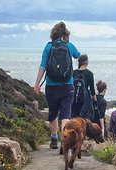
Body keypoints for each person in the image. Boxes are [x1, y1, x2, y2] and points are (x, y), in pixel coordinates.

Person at [34, 22, 81, 150]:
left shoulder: (48, 47)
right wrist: (69, 42)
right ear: (64, 35)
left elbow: (42, 66)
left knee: (53, 114)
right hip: (67, 86)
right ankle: (64, 140)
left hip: (51, 86)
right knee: (66, 115)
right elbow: (78, 55)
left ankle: (54, 139)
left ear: (53, 34)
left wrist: (37, 84)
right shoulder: (69, 46)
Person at [71, 54, 96, 120]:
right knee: (84, 119)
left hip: (73, 99)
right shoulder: (89, 73)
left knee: (73, 118)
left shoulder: (73, 72)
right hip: (84, 100)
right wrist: (95, 101)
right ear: (87, 62)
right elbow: (92, 89)